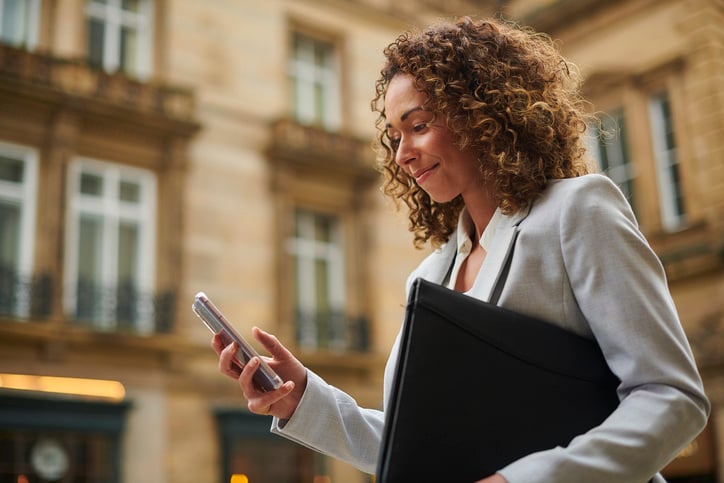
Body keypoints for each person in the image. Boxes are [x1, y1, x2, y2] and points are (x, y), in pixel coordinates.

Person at [212, 16, 710, 483]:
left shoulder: (578, 212)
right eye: (394, 136)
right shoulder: (429, 277)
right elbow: (415, 445)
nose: (402, 154)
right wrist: (301, 400)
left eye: (419, 125)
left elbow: (671, 397)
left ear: (482, 113)